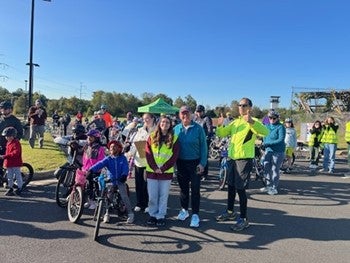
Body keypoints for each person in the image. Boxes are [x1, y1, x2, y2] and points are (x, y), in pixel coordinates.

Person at [215, 98, 268, 231]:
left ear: (250, 107)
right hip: (232, 159)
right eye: (239, 105)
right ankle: (230, 212)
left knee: (240, 189)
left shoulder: (253, 121)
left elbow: (265, 132)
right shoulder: (235, 122)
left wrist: (251, 122)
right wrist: (220, 125)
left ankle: (244, 219)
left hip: (244, 160)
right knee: (231, 187)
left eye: (244, 105)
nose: (241, 107)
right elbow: (221, 133)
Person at [174, 105, 207, 228]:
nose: (185, 115)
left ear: (191, 114)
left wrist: (202, 163)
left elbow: (204, 147)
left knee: (195, 189)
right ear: (179, 115)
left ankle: (195, 215)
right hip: (181, 163)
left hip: (195, 163)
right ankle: (184, 210)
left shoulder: (198, 128)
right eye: (182, 113)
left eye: (187, 113)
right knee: (183, 189)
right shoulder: (176, 129)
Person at [88, 140, 134, 224]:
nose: (112, 148)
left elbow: (125, 168)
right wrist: (90, 170)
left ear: (119, 148)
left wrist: (124, 175)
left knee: (124, 196)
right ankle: (107, 213)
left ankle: (130, 213)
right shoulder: (108, 158)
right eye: (111, 147)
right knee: (108, 197)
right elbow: (100, 164)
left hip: (120, 180)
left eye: (114, 146)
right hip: (111, 181)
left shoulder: (122, 158)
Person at [145, 115, 179, 227]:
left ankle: (161, 216)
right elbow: (148, 154)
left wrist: (163, 168)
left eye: (167, 122)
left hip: (166, 173)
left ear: (170, 125)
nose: (165, 124)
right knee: (152, 196)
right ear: (159, 123)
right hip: (152, 172)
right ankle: (152, 215)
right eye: (163, 122)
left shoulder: (174, 138)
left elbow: (174, 157)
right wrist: (155, 168)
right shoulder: (152, 136)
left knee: (163, 196)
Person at [127, 113, 156, 213]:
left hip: (150, 161)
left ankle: (148, 203)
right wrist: (130, 154)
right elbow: (135, 144)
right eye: (144, 119)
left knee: (147, 184)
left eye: (148, 118)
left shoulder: (156, 130)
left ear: (153, 118)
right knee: (139, 183)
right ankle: (140, 203)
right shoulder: (140, 130)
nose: (146, 121)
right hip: (139, 160)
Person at [261, 110, 286, 195]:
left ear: (277, 118)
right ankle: (268, 185)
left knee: (275, 169)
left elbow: (280, 139)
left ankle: (274, 187)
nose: (272, 119)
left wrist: (267, 143)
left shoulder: (281, 127)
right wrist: (264, 143)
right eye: (270, 118)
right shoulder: (266, 126)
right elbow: (264, 136)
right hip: (268, 151)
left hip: (278, 151)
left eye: (274, 118)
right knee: (266, 168)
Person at [82, 129, 106, 210]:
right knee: (87, 186)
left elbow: (101, 161)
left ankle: (94, 201)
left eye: (91, 137)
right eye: (88, 136)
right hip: (86, 170)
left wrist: (94, 169)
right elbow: (85, 159)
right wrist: (84, 168)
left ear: (96, 138)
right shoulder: (87, 146)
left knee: (94, 186)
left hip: (95, 171)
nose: (89, 138)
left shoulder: (100, 148)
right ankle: (89, 200)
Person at [0, 101, 24, 170]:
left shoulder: (15, 121)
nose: (2, 110)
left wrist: (12, 142)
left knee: (7, 164)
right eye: (1, 108)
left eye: (5, 108)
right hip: (0, 145)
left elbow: (20, 133)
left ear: (10, 109)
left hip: (9, 146)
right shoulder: (0, 119)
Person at [0, 127, 23, 196]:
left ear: (13, 136)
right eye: (6, 136)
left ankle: (19, 187)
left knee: (17, 175)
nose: (7, 138)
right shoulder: (8, 143)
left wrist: (5, 156)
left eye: (8, 136)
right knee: (9, 177)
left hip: (15, 163)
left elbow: (16, 153)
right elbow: (7, 151)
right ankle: (10, 187)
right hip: (9, 163)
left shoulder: (16, 143)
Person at [194, 104, 213, 181]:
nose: (198, 113)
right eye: (197, 112)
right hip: (196, 141)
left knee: (204, 157)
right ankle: (198, 172)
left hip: (205, 140)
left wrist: (207, 136)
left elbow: (209, 129)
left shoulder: (206, 118)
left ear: (203, 111)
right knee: (196, 157)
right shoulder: (196, 119)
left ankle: (205, 174)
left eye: (200, 112)